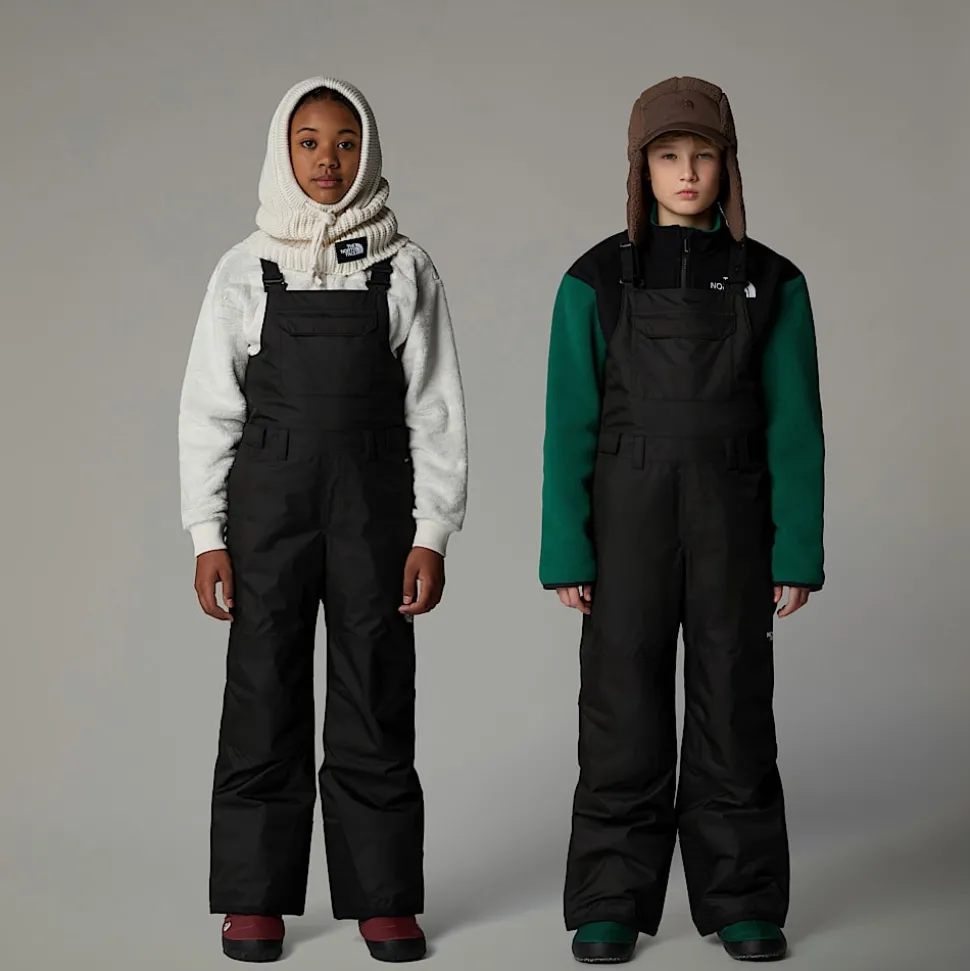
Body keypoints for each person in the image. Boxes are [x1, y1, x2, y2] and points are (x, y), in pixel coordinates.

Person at [178, 76, 467, 964]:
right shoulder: (244, 267)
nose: (328, 159)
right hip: (268, 509)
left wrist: (432, 530)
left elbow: (436, 408)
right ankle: (254, 899)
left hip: (374, 509)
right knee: (261, 692)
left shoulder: (405, 266)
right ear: (283, 150)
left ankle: (383, 897)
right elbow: (207, 410)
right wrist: (207, 535)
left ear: (368, 151)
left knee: (375, 690)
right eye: (309, 141)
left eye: (345, 142)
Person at [540, 76, 824, 964]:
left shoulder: (775, 281)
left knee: (733, 704)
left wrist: (797, 549)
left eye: (704, 155)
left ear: (729, 164)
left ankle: (741, 897)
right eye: (668, 156)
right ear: (641, 168)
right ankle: (610, 899)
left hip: (734, 517)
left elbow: (796, 424)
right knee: (620, 706)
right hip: (625, 520)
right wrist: (565, 548)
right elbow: (568, 423)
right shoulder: (593, 280)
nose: (688, 172)